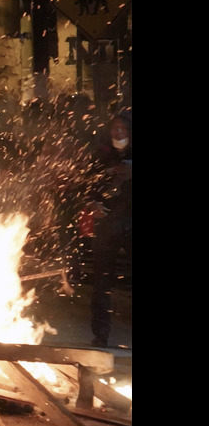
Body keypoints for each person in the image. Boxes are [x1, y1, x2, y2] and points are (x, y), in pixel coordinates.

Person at [86, 109, 132, 348]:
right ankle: (100, 335)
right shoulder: (102, 155)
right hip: (107, 224)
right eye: (115, 128)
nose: (119, 132)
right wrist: (93, 201)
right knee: (102, 281)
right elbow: (89, 184)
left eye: (123, 129)